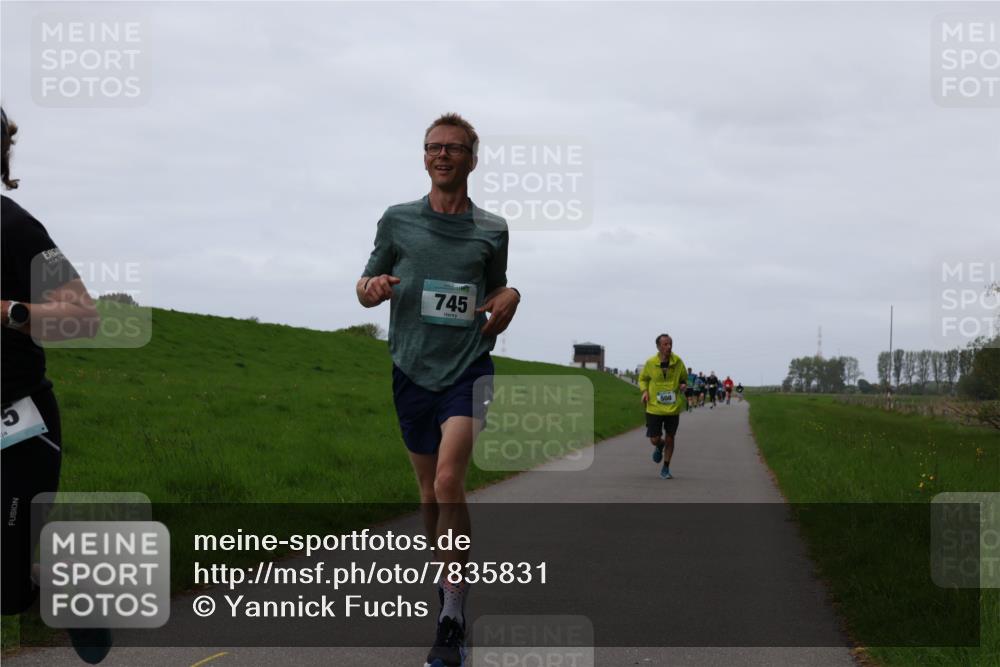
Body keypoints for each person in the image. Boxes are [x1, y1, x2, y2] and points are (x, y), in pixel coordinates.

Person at [356, 113, 520, 667]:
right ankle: (448, 581)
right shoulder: (397, 221)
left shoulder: (491, 229)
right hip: (410, 369)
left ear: (473, 158)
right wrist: (372, 287)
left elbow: (494, 287)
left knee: (451, 479)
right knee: (429, 493)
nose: (442, 155)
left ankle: (452, 611)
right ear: (424, 156)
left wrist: (510, 295)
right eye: (433, 148)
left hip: (469, 368)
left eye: (454, 148)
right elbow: (364, 284)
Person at [0, 108, 110, 663]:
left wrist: (11, 310)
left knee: (10, 590)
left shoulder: (16, 227)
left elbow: (83, 316)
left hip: (18, 425)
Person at [638, 334, 687, 479]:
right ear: (658, 347)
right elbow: (643, 379)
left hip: (673, 408)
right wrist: (645, 391)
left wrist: (683, 384)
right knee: (654, 438)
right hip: (654, 407)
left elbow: (684, 378)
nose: (669, 347)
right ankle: (660, 445)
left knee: (671, 437)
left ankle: (666, 468)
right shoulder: (650, 363)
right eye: (665, 344)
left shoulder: (678, 362)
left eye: (670, 344)